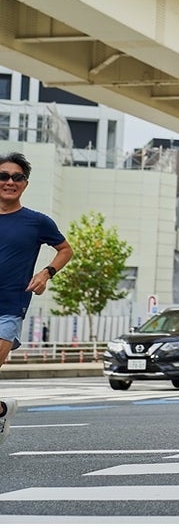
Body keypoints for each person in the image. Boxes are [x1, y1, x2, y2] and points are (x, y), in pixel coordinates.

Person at [0, 151, 70, 436]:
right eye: (3, 176)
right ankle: (2, 410)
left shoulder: (37, 222)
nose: (9, 181)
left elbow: (66, 250)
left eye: (17, 177)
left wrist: (45, 273)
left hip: (9, 307)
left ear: (25, 184)